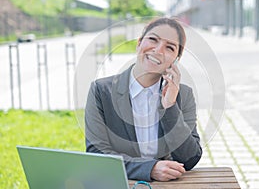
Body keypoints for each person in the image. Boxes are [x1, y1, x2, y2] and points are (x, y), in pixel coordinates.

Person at [85, 17, 202, 182]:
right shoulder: (101, 91)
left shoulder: (183, 94)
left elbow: (190, 158)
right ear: (139, 43)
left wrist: (170, 107)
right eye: (153, 39)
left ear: (175, 60)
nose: (158, 50)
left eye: (169, 47)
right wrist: (150, 168)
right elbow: (97, 154)